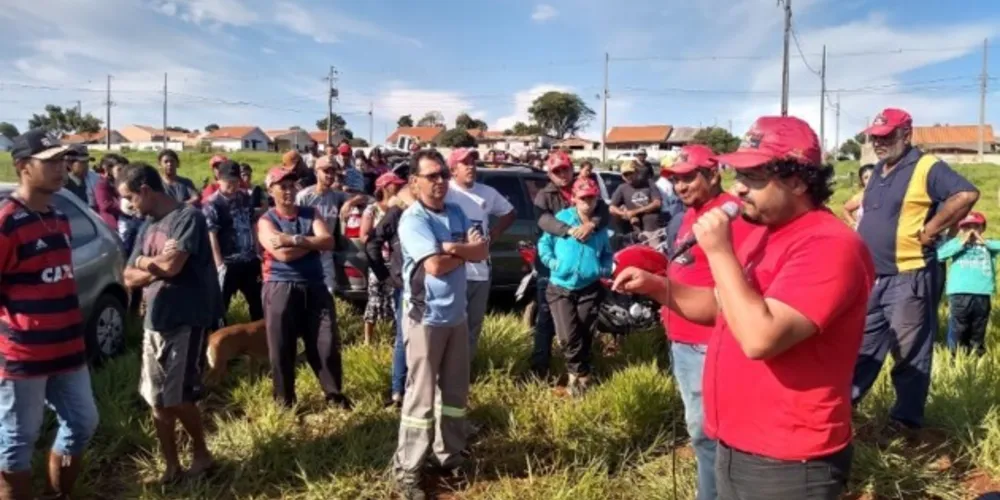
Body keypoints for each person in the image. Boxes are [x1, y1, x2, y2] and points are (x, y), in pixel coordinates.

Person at [614, 116, 874, 499]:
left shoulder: (830, 245)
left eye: (753, 177)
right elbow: (721, 306)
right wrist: (656, 286)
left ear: (798, 181)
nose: (738, 188)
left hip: (787, 457)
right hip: (737, 441)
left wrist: (719, 251)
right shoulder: (765, 235)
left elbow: (759, 338)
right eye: (739, 175)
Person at [852, 108, 980, 432]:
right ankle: (842, 408)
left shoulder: (926, 166)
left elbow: (966, 194)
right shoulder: (879, 169)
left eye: (886, 136)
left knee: (909, 353)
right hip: (875, 277)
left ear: (906, 135)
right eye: (874, 137)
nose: (878, 143)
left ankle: (905, 423)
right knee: (861, 346)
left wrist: (932, 228)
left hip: (909, 277)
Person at [0, 129, 99, 499]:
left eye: (62, 160)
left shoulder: (59, 217)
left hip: (68, 350)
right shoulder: (7, 222)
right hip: (24, 355)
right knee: (17, 441)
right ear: (23, 167)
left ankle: (60, 494)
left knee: (82, 422)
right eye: (50, 161)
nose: (61, 168)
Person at [659, 144, 755, 500]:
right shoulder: (691, 214)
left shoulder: (731, 216)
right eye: (675, 180)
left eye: (688, 178)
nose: (680, 186)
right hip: (683, 339)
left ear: (713, 174)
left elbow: (743, 277)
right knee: (699, 430)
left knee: (709, 433)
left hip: (708, 341)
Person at [393, 151, 487, 500]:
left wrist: (452, 248)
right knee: (420, 398)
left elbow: (482, 251)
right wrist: (463, 250)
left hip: (456, 316)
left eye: (443, 175)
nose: (440, 181)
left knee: (455, 394)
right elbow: (433, 266)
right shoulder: (414, 220)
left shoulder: (457, 212)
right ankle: (407, 470)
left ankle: (449, 456)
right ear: (414, 182)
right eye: (431, 176)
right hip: (425, 319)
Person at [119, 162, 220, 484]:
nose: (129, 205)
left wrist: (148, 264)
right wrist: (152, 262)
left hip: (187, 318)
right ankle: (171, 466)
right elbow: (128, 276)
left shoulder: (188, 218)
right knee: (156, 399)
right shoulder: (147, 226)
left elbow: (173, 267)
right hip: (154, 320)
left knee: (178, 396)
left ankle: (202, 455)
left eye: (130, 197)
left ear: (145, 190)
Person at [258, 167, 352, 410]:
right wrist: (312, 243)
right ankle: (285, 402)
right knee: (281, 347)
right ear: (271, 191)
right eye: (282, 187)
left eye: (292, 186)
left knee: (326, 342)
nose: (289, 191)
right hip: (280, 285)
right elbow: (282, 255)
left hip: (315, 285)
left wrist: (293, 239)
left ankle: (334, 395)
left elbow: (328, 241)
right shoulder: (267, 220)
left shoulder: (311, 213)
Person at [529, 151, 610, 377]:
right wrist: (570, 230)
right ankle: (540, 366)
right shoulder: (544, 195)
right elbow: (543, 221)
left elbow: (603, 211)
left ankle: (582, 368)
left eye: (565, 169)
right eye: (556, 171)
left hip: (585, 269)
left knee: (585, 323)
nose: (562, 174)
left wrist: (591, 225)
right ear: (549, 174)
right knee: (546, 317)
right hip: (554, 267)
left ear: (571, 168)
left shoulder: (585, 186)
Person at [444, 148, 517, 359]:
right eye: (465, 163)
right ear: (453, 169)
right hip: (453, 271)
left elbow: (510, 213)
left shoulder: (487, 193)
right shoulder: (446, 191)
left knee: (473, 327)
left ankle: (466, 370)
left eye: (473, 163)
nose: (471, 167)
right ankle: (447, 371)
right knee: (450, 327)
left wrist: (495, 233)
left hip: (480, 272)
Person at [365, 186, 414, 409]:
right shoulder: (397, 212)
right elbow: (372, 243)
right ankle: (398, 392)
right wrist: (386, 277)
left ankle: (421, 387)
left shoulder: (439, 209)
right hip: (405, 286)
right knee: (404, 337)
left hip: (433, 286)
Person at [203, 160, 264, 322]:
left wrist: (257, 251)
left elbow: (252, 224)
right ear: (219, 180)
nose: (233, 185)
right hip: (228, 262)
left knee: (258, 302)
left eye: (236, 181)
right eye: (228, 181)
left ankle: (260, 332)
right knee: (221, 304)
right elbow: (212, 235)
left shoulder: (245, 197)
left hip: (249, 259)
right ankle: (218, 332)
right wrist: (219, 264)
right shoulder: (212, 203)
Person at [296, 155, 367, 294]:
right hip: (306, 249)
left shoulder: (336, 195)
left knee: (329, 291)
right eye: (326, 171)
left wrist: (349, 202)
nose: (330, 175)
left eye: (333, 172)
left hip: (325, 251)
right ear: (316, 172)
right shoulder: (304, 196)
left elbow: (363, 197)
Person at [937, 211, 999, 356]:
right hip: (960, 292)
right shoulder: (956, 244)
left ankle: (976, 355)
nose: (971, 230)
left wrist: (984, 242)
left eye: (975, 227)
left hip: (982, 292)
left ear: (983, 228)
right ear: (961, 229)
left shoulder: (988, 246)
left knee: (978, 326)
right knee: (959, 327)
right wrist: (962, 242)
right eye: (966, 227)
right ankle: (954, 355)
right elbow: (940, 255)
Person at [359, 172, 407, 344]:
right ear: (386, 187)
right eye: (395, 184)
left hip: (395, 262)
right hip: (378, 261)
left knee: (395, 301)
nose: (399, 187)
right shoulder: (372, 209)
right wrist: (383, 237)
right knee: (374, 299)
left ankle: (395, 337)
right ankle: (368, 341)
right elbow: (364, 236)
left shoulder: (401, 207)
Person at [610, 159, 663, 247]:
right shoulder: (622, 188)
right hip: (635, 231)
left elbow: (657, 203)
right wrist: (625, 214)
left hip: (652, 229)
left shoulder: (649, 183)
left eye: (631, 173)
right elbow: (612, 208)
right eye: (625, 174)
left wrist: (635, 212)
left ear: (637, 172)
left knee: (653, 252)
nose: (628, 176)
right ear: (622, 176)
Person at [656, 156, 687, 251]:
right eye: (670, 167)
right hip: (669, 218)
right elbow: (664, 206)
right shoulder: (660, 185)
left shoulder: (671, 183)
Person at [94, 154, 128, 231]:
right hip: (111, 224)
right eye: (119, 169)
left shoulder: (124, 183)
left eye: (125, 170)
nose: (123, 173)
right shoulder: (102, 184)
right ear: (109, 170)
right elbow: (105, 205)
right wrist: (124, 205)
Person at [842, 163, 874, 228]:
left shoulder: (889, 192)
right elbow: (845, 209)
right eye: (866, 177)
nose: (870, 179)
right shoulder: (861, 197)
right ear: (862, 182)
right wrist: (853, 224)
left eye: (873, 176)